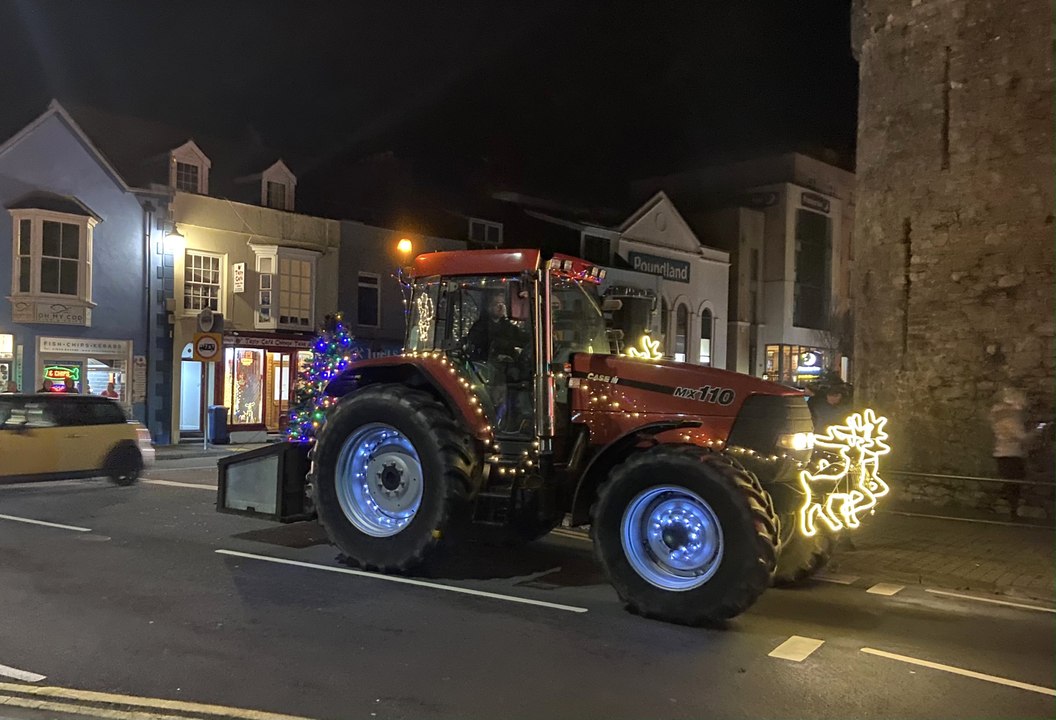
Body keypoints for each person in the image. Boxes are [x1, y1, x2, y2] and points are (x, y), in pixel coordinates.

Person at [464, 292, 531, 433]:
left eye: (502, 304)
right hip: (486, 370)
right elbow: (479, 347)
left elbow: (524, 339)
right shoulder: (480, 327)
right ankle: (498, 423)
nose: (500, 307)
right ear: (488, 307)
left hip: (508, 367)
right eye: (496, 304)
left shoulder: (507, 326)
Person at [990, 387, 1029, 519]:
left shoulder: (998, 414)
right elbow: (1021, 436)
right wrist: (1038, 432)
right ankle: (1012, 511)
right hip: (1011, 453)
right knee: (1013, 484)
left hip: (1003, 453)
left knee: (1011, 483)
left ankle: (1011, 509)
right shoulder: (1009, 418)